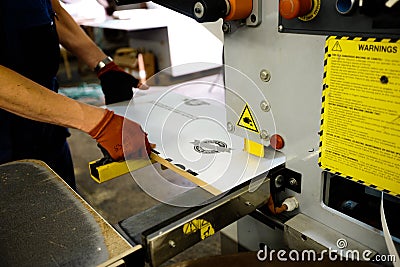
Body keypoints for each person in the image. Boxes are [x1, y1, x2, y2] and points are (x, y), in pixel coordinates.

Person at [0, 0, 152, 190]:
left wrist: (104, 66)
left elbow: (50, 11)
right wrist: (99, 123)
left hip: (48, 124)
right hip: (4, 143)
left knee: (65, 207)